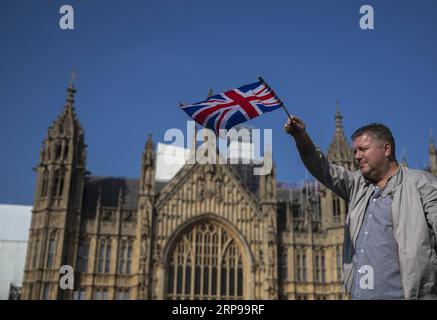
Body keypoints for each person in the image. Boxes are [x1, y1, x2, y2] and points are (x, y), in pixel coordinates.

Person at [284, 116, 437, 299]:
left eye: (363, 149)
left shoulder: (421, 184)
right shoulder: (357, 186)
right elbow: (320, 167)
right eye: (355, 151)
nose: (357, 156)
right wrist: (301, 136)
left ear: (386, 149)